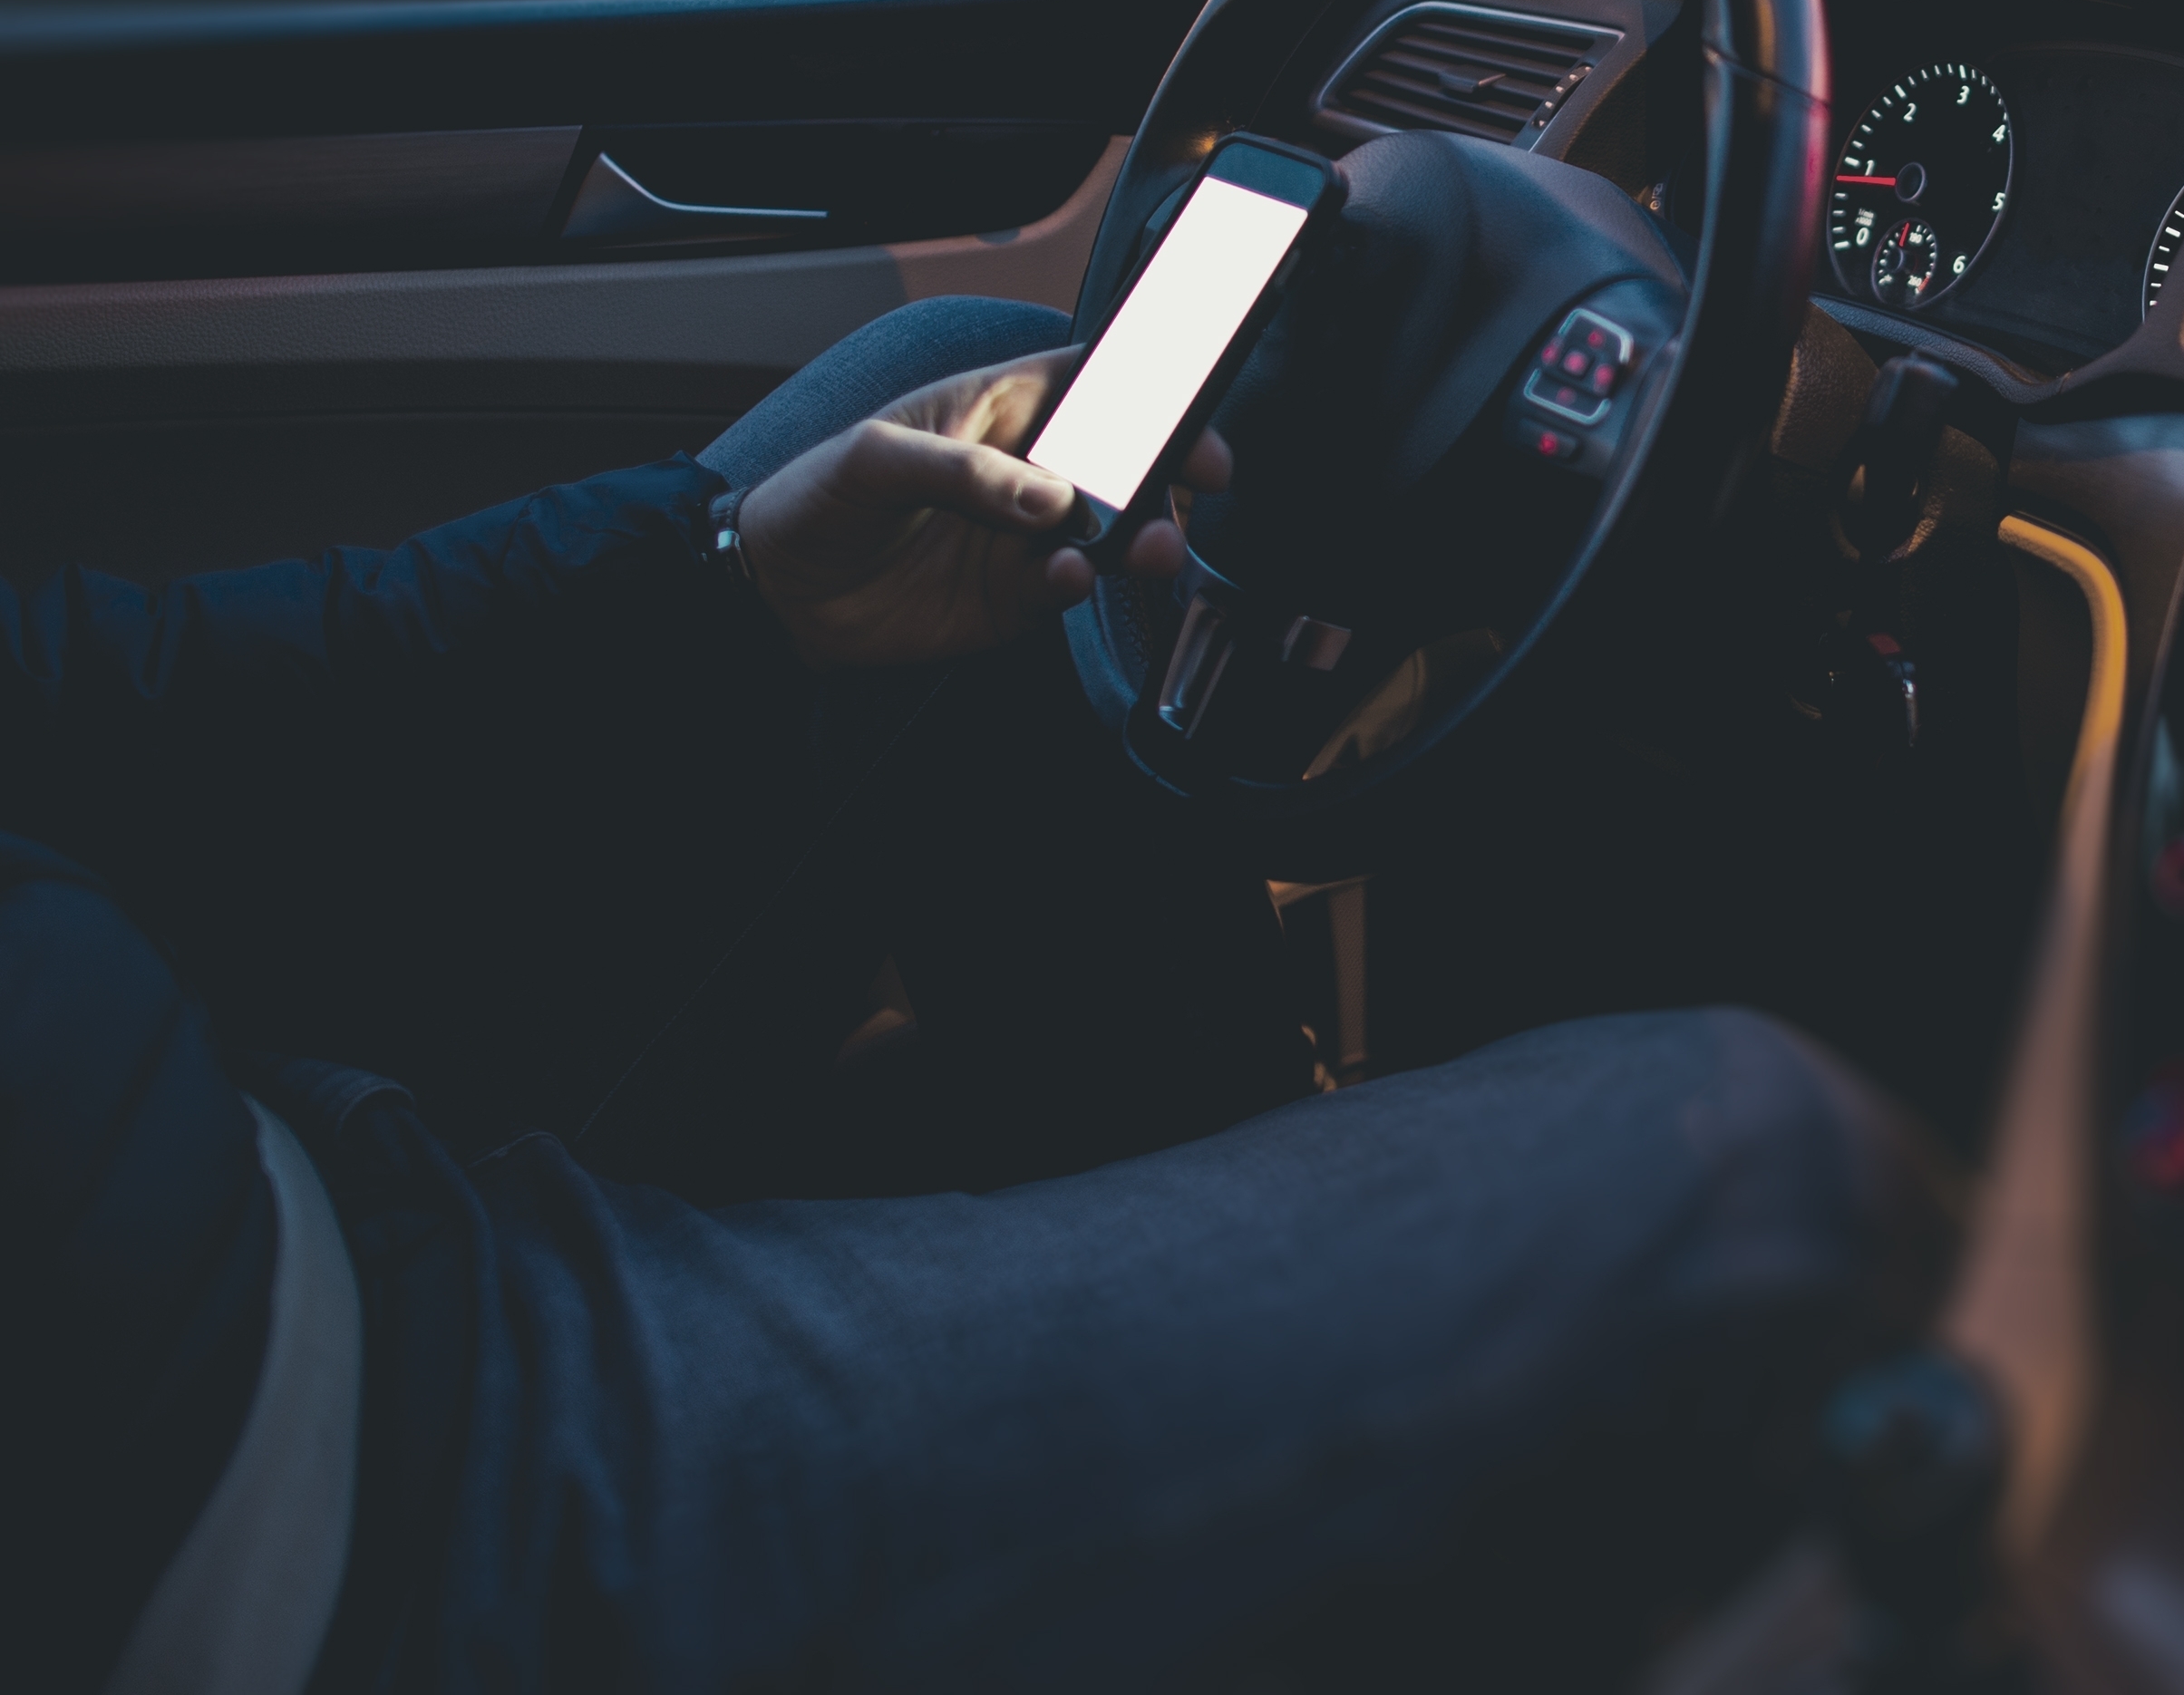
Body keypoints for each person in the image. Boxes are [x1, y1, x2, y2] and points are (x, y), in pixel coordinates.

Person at [5, 297, 1937, 1695]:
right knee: (1755, 1168)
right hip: (313, 1502)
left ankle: (1250, 1334)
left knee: (976, 381)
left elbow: (108, 705)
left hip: (239, 1131)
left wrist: (727, 580)